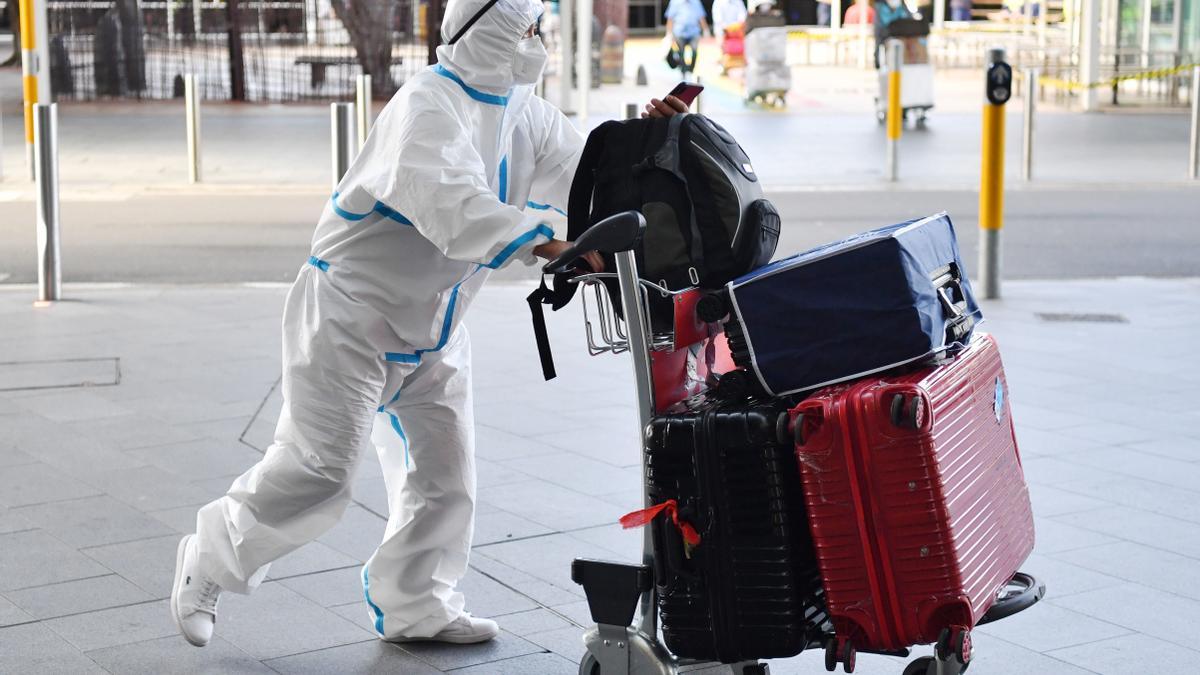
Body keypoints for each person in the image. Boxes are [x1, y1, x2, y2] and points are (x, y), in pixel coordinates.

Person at [169, 0, 688, 649]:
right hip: (351, 314)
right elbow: (452, 204)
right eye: (529, 27)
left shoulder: (525, 112)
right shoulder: (427, 106)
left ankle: (415, 604)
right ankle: (209, 559)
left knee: (444, 479)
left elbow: (589, 174)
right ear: (495, 31)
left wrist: (648, 140)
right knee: (318, 470)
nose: (538, 39)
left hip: (436, 326)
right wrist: (551, 243)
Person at [664, 0, 711, 75]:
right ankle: (683, 71)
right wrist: (669, 33)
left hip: (694, 33)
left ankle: (691, 70)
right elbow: (670, 18)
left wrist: (705, 30)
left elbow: (701, 17)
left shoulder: (696, 2)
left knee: (694, 52)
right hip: (679, 33)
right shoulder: (674, 2)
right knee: (681, 53)